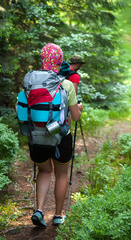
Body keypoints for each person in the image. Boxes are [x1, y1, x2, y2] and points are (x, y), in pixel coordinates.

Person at [29, 43, 83, 227]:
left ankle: (39, 210)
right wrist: (78, 108)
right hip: (60, 136)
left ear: (42, 60)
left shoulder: (30, 81)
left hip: (36, 136)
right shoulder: (66, 84)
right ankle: (58, 215)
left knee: (44, 171)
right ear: (60, 62)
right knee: (61, 175)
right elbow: (75, 117)